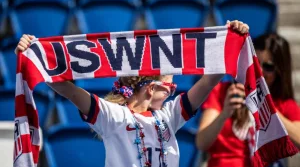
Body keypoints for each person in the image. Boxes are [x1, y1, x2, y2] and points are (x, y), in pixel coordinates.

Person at [15, 20, 249, 167]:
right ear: (151, 88)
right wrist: (34, 52)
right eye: (170, 87)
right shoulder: (112, 115)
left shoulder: (169, 115)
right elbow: (65, 88)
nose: (173, 92)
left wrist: (230, 37)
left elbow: (209, 81)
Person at [196, 33, 300, 167]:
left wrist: (267, 107)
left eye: (268, 67)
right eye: (255, 64)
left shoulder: (284, 104)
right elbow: (201, 143)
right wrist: (224, 114)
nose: (260, 72)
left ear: (280, 71)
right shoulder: (223, 91)